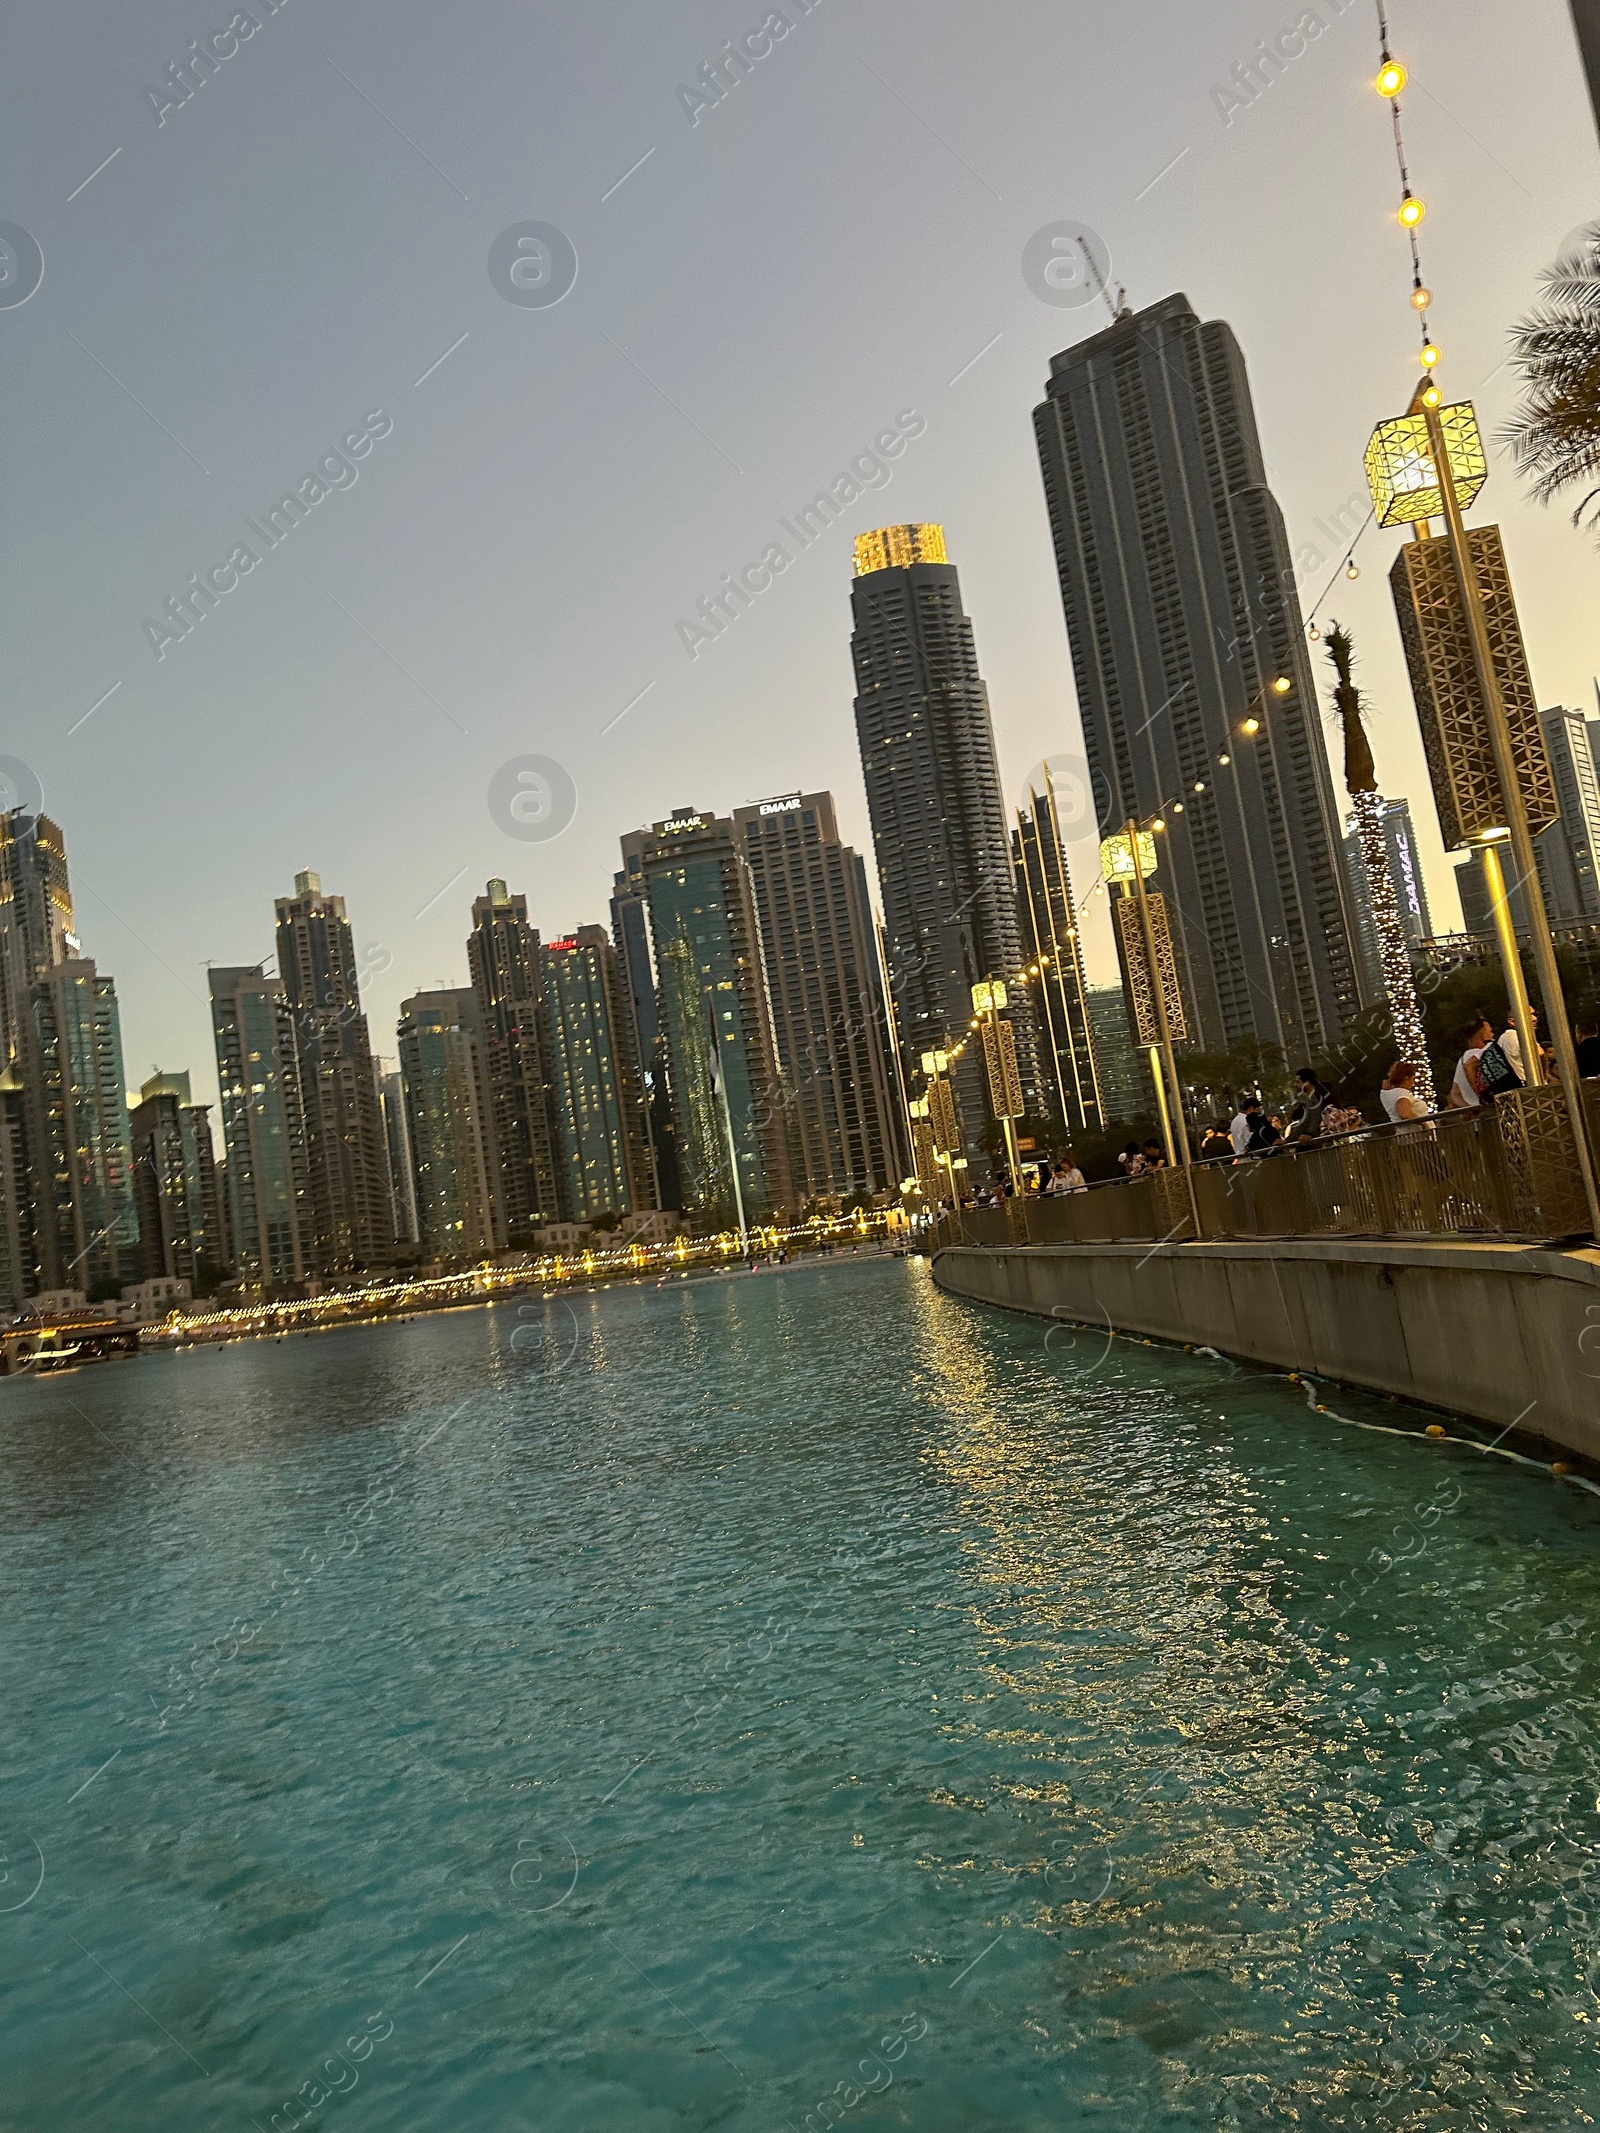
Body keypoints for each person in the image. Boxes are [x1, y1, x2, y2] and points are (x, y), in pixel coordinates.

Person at [1449, 1014, 1494, 1109]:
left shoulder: (1461, 1060)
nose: (1493, 1035)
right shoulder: (1485, 1054)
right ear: (1483, 1033)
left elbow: (1455, 1095)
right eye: (1490, 1031)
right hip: (1491, 1108)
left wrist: (1472, 1109)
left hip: (1477, 1115)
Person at [1285, 1068, 1330, 1144]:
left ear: (1307, 1083)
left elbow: (1314, 1119)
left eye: (1298, 1082)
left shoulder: (1315, 1099)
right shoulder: (1311, 1099)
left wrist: (1310, 1134)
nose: (1295, 1085)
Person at [1380, 1059, 1430, 1124]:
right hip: (1417, 1131)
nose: (1413, 1083)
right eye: (1413, 1079)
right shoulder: (1401, 1093)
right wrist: (1423, 1124)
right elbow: (1404, 1114)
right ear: (1406, 1079)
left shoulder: (1387, 1093)